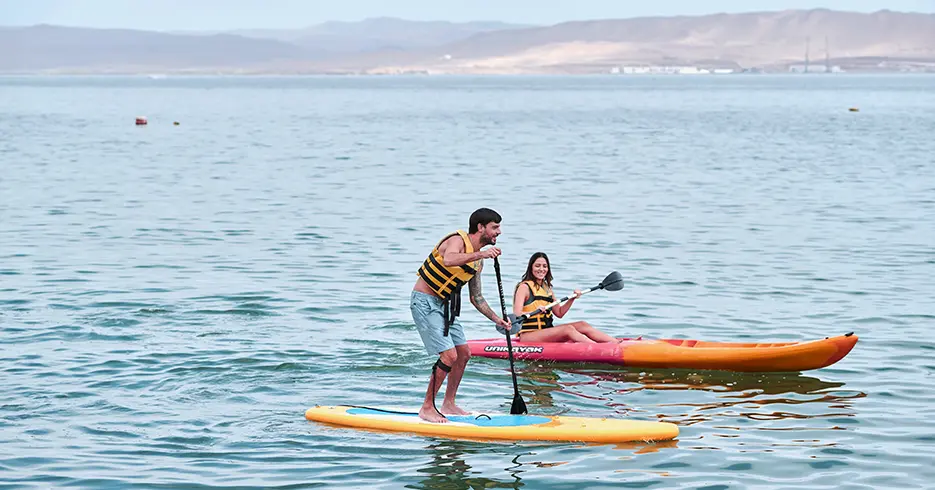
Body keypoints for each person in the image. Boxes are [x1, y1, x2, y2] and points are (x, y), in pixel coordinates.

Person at [411, 208, 512, 423]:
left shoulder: (477, 262)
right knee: (449, 356)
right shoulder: (457, 240)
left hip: (444, 306)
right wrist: (481, 254)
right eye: (495, 227)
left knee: (464, 353)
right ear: (480, 227)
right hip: (424, 302)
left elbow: (477, 298)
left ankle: (449, 403)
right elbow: (449, 260)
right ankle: (427, 407)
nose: (499, 232)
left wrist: (498, 320)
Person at [512, 252, 621, 343]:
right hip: (528, 336)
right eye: (537, 266)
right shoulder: (524, 287)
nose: (541, 269)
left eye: (544, 266)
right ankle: (600, 348)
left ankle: (616, 343)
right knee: (567, 329)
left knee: (582, 325)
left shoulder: (547, 289)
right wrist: (536, 311)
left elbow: (559, 313)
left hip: (545, 332)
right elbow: (517, 316)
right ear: (531, 267)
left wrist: (572, 298)